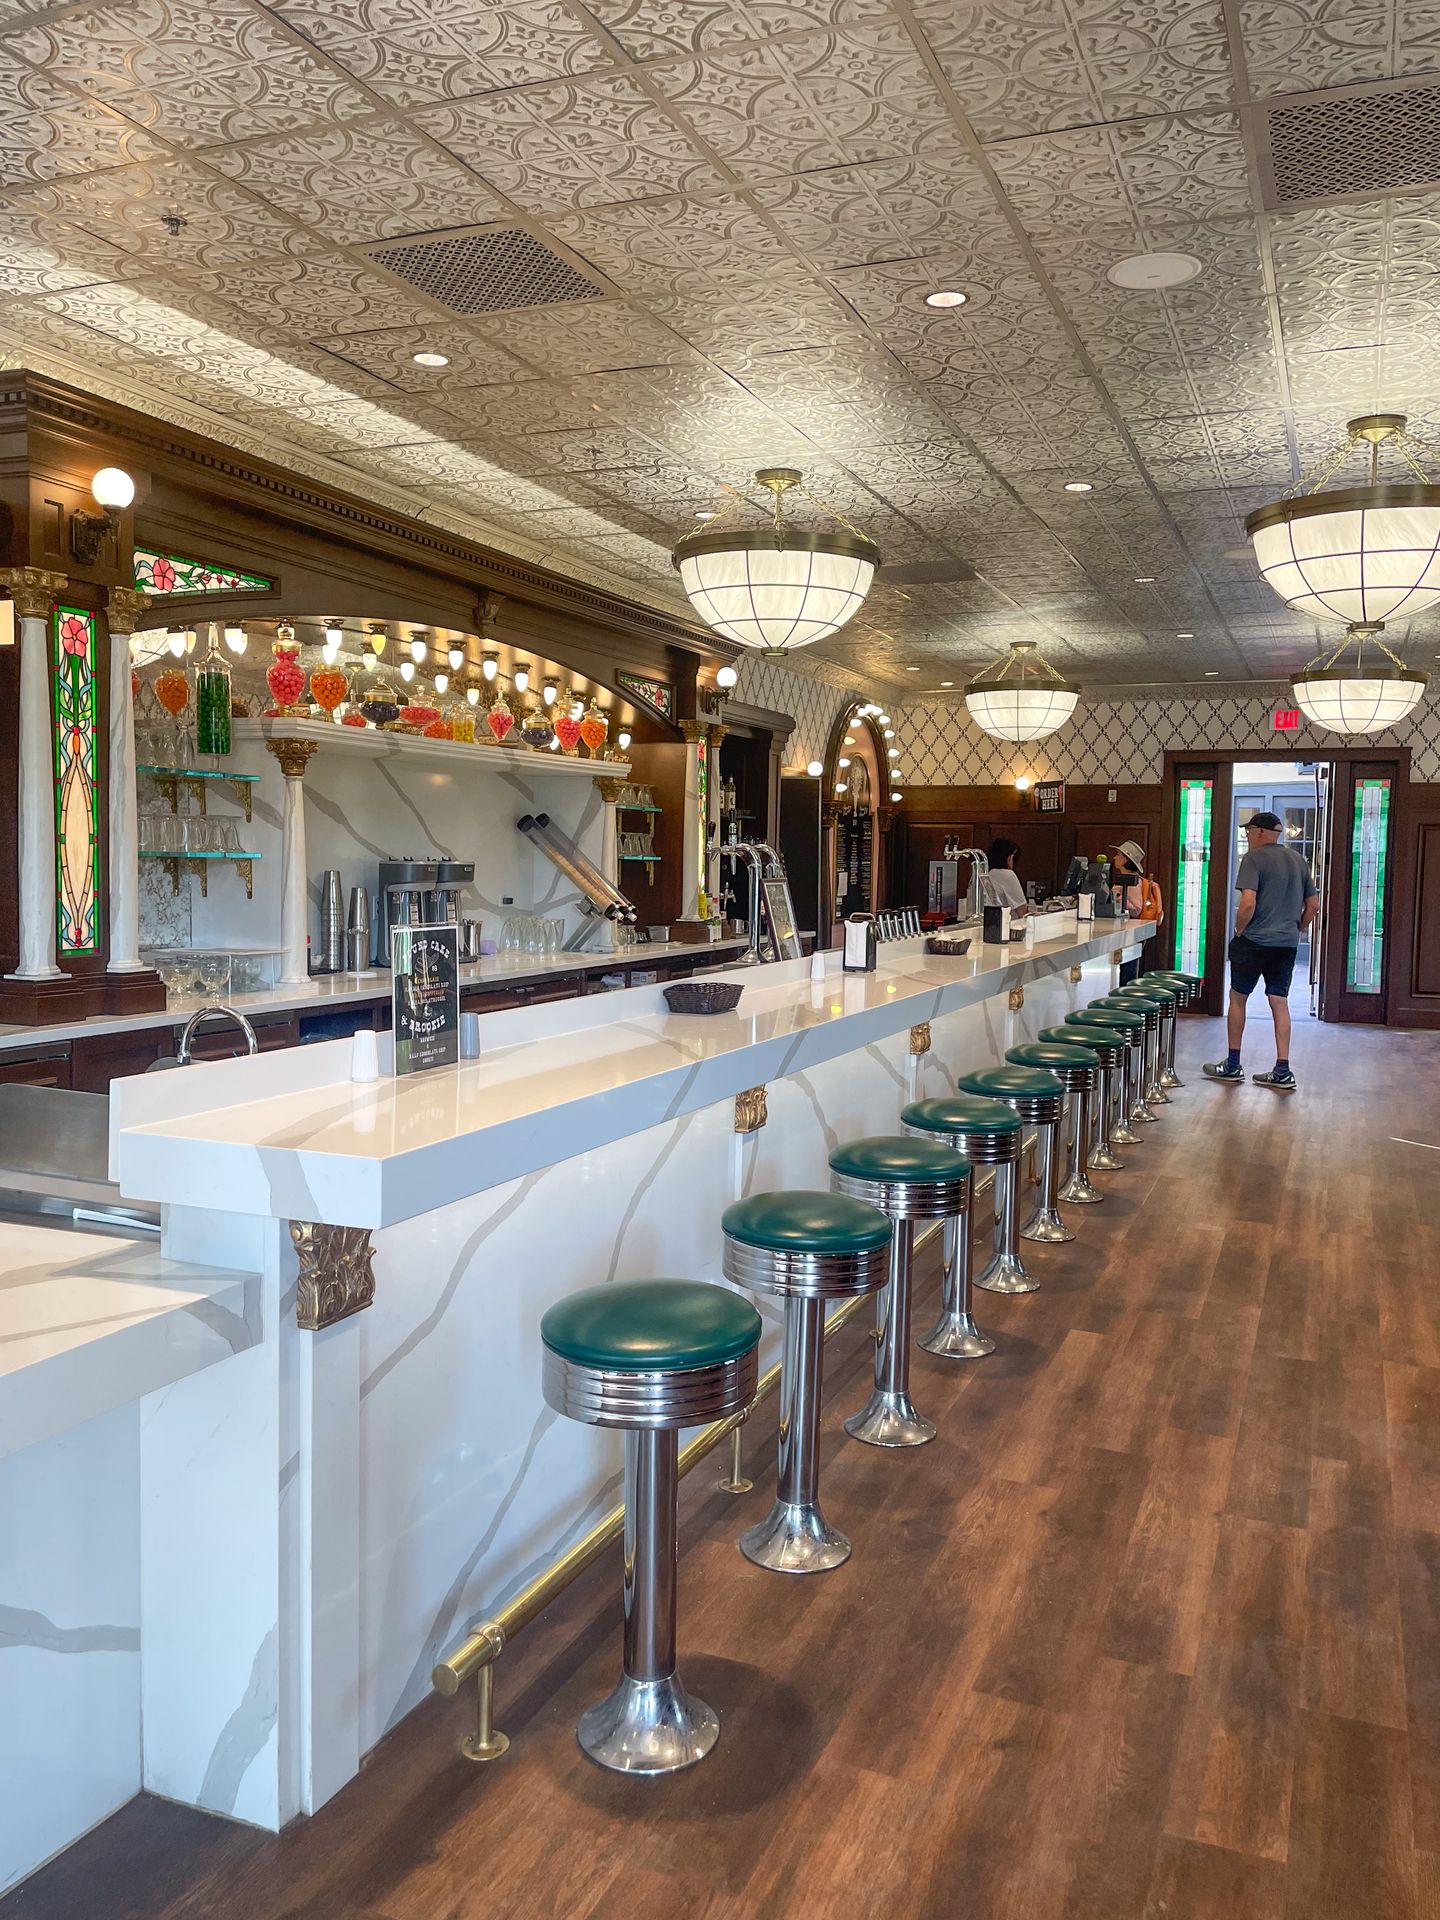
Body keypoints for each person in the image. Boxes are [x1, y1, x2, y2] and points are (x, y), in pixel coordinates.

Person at [1204, 810, 1319, 1094]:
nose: (1247, 837)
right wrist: (1298, 928)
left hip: (1254, 940)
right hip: (1286, 943)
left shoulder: (1253, 859)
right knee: (1279, 1001)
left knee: (1238, 998)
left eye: (1248, 832)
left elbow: (1248, 903)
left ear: (1258, 832)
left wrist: (1239, 930)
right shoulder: (1298, 860)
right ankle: (1282, 1070)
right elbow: (1314, 905)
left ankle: (1233, 1064)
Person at [1108, 839, 1163, 983]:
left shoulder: (1130, 882)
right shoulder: (1129, 879)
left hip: (1131, 935)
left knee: (1126, 975)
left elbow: (1136, 908)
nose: (1115, 857)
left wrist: (1118, 897)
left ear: (1126, 859)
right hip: (1132, 934)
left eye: (1118, 855)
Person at [985, 838, 1028, 915]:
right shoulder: (1007, 875)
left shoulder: (983, 874)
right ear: (1009, 858)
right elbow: (1022, 911)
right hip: (1002, 921)